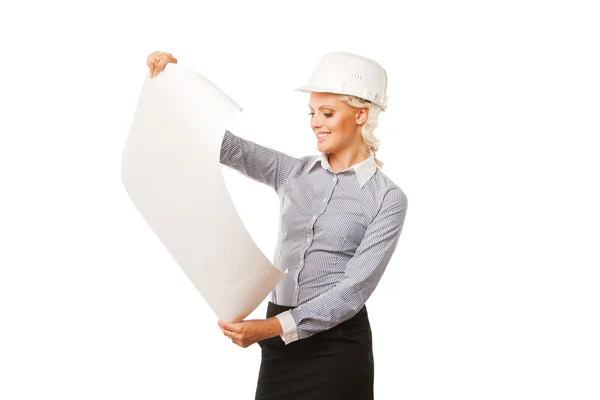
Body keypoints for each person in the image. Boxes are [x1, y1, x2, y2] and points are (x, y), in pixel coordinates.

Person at [146, 50, 408, 399]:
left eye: (328, 113)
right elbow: (227, 147)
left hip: (338, 347)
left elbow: (353, 290)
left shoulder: (387, 198)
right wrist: (175, 84)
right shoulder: (293, 172)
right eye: (313, 112)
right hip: (279, 343)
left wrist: (270, 328)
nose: (316, 122)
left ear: (361, 115)